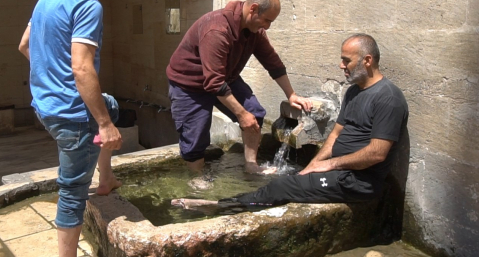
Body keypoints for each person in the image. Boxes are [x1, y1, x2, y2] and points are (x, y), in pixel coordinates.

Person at [172, 34, 408, 209]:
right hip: (339, 172)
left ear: (367, 60)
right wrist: (313, 165)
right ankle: (229, 203)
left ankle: (220, 206)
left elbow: (377, 153)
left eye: (346, 60)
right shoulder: (354, 92)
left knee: (279, 187)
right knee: (289, 181)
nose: (341, 65)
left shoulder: (388, 98)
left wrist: (329, 165)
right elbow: (335, 135)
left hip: (358, 182)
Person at [18, 0, 127, 257]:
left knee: (110, 102)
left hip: (46, 105)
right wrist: (104, 125)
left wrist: (49, 77)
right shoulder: (88, 5)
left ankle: (106, 178)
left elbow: (24, 45)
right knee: (73, 189)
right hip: (72, 115)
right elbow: (82, 68)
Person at [166, 0, 313, 176]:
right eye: (267, 20)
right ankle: (197, 179)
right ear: (253, 9)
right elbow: (214, 83)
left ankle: (251, 165)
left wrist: (291, 94)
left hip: (224, 78)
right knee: (195, 136)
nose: (267, 27)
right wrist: (241, 114)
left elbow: (272, 62)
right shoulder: (217, 30)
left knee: (254, 115)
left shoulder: (254, 31)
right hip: (190, 85)